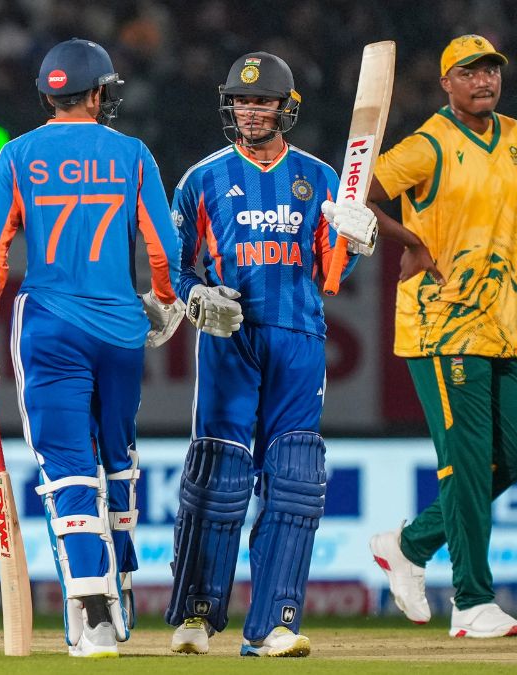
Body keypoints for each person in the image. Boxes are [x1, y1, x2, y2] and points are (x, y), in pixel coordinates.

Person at [0, 38, 182, 658]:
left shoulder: (17, 155)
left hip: (50, 327)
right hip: (121, 329)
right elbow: (164, 248)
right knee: (118, 458)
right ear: (98, 94)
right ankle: (120, 581)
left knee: (68, 466)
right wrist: (164, 302)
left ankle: (93, 613)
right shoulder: (132, 154)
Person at [164, 52, 377, 658]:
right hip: (230, 336)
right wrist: (196, 295)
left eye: (262, 102)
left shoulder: (320, 177)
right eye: (240, 100)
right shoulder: (201, 178)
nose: (250, 111)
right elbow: (172, 266)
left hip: (299, 336)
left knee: (294, 479)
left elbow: (330, 272)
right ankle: (197, 614)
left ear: (286, 109)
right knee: (218, 475)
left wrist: (355, 241)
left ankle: (273, 625)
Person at [366, 34, 517, 639]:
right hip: (442, 322)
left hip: (507, 319)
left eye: (490, 70)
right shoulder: (429, 144)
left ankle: (410, 545)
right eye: (468, 72)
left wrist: (500, 228)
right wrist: (413, 243)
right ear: (446, 83)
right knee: (466, 462)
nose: (483, 80)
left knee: (515, 458)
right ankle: (472, 602)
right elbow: (361, 193)